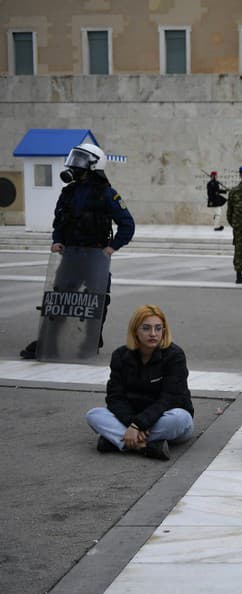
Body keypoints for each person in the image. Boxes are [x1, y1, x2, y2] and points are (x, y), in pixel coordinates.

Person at [20, 142, 135, 359]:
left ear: (94, 164)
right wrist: (57, 240)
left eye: (80, 160)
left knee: (97, 300)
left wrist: (112, 247)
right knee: (59, 298)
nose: (75, 164)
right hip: (71, 255)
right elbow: (60, 222)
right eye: (75, 158)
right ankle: (48, 342)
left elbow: (128, 224)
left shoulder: (107, 194)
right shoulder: (68, 192)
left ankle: (91, 341)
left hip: (95, 257)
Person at [85, 305, 194, 460]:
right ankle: (146, 447)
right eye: (146, 328)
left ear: (164, 330)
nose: (153, 334)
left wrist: (138, 426)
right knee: (94, 415)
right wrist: (133, 424)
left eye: (158, 328)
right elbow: (115, 398)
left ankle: (116, 441)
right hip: (131, 419)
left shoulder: (174, 355)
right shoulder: (120, 355)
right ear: (135, 330)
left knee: (180, 419)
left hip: (165, 418)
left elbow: (170, 399)